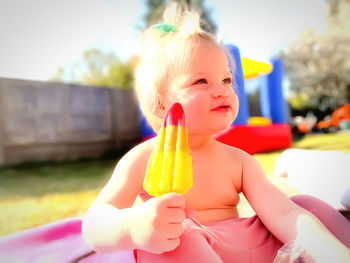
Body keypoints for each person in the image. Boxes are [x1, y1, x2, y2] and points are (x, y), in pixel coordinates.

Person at [82, 3, 350, 263]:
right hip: (192, 249)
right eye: (201, 81)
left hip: (252, 249)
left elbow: (282, 214)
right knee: (177, 238)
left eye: (226, 80)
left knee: (304, 205)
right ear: (161, 104)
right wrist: (132, 227)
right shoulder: (142, 158)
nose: (222, 90)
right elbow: (94, 223)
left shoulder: (239, 161)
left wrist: (321, 247)